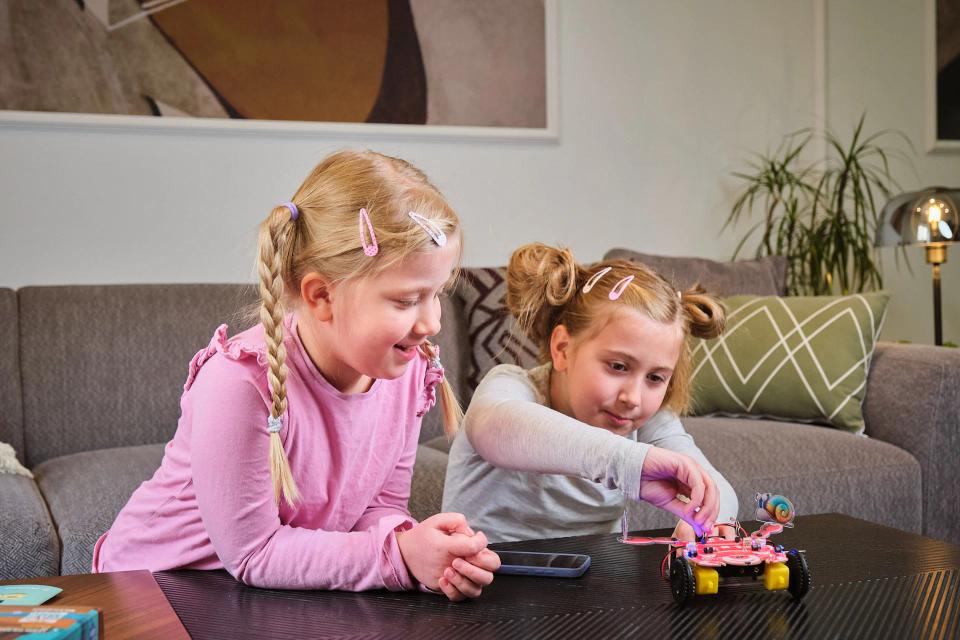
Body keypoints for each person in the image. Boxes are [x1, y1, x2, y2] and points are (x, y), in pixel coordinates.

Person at [94, 150, 499, 601]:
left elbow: (378, 507)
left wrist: (423, 550)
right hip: (151, 593)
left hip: (265, 596)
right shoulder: (239, 384)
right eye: (406, 300)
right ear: (321, 295)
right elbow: (253, 553)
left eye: (436, 294)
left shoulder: (404, 371)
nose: (431, 323)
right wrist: (396, 557)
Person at [442, 243, 738, 543]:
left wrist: (712, 518)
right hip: (483, 579)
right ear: (563, 349)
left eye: (655, 377)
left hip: (591, 584)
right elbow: (494, 428)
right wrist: (630, 463)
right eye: (618, 366)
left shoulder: (646, 422)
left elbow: (714, 486)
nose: (633, 398)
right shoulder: (511, 387)